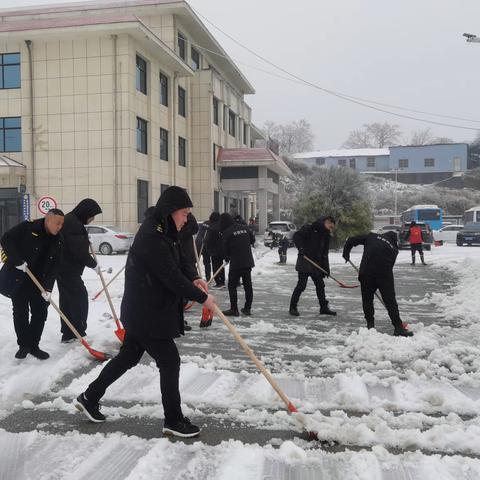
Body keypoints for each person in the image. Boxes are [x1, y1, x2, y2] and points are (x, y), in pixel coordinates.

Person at [75, 186, 216, 438]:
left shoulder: (169, 230)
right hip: (147, 311)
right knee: (169, 360)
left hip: (146, 308)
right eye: (184, 213)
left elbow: (182, 261)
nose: (186, 219)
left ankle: (89, 397)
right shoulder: (152, 234)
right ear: (171, 211)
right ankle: (173, 420)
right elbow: (169, 275)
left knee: (128, 356)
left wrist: (195, 278)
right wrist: (202, 298)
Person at [0, 209, 65, 359]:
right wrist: (17, 261)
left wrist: (48, 287)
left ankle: (34, 346)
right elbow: (6, 239)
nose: (60, 226)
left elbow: (56, 265)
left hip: (40, 282)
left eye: (62, 223)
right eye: (58, 223)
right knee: (20, 312)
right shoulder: (27, 228)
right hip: (20, 278)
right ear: (48, 220)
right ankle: (23, 345)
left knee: (40, 313)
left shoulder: (59, 239)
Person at [342, 231, 413, 337]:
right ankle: (398, 327)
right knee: (390, 301)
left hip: (366, 272)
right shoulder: (394, 248)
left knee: (367, 299)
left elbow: (350, 240)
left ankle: (370, 326)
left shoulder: (371, 236)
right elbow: (390, 265)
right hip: (384, 274)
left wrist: (346, 254)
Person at [57, 199, 102, 343]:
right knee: (79, 299)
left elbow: (74, 243)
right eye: (92, 215)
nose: (93, 219)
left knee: (67, 300)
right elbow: (78, 252)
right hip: (68, 269)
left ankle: (68, 332)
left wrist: (85, 240)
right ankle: (78, 331)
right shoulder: (74, 224)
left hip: (62, 268)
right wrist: (93, 264)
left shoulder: (71, 220)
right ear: (85, 213)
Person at [289, 216, 336, 317]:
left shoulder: (326, 235)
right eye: (330, 226)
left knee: (320, 285)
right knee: (301, 285)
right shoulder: (310, 228)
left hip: (317, 264)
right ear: (326, 222)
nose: (331, 229)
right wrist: (301, 249)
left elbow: (325, 253)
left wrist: (326, 269)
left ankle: (323, 308)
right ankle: (293, 307)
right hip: (305, 261)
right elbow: (296, 236)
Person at [220, 212, 255, 316]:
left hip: (236, 263)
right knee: (248, 285)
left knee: (232, 286)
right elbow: (252, 240)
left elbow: (225, 248)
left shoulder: (227, 232)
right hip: (247, 261)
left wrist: (227, 257)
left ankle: (234, 309)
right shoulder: (245, 228)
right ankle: (247, 308)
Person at [205, 212, 225, 288]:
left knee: (215, 266)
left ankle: (218, 282)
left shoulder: (212, 227)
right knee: (221, 266)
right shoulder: (222, 226)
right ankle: (222, 281)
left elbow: (208, 239)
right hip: (221, 250)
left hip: (214, 250)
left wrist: (205, 242)